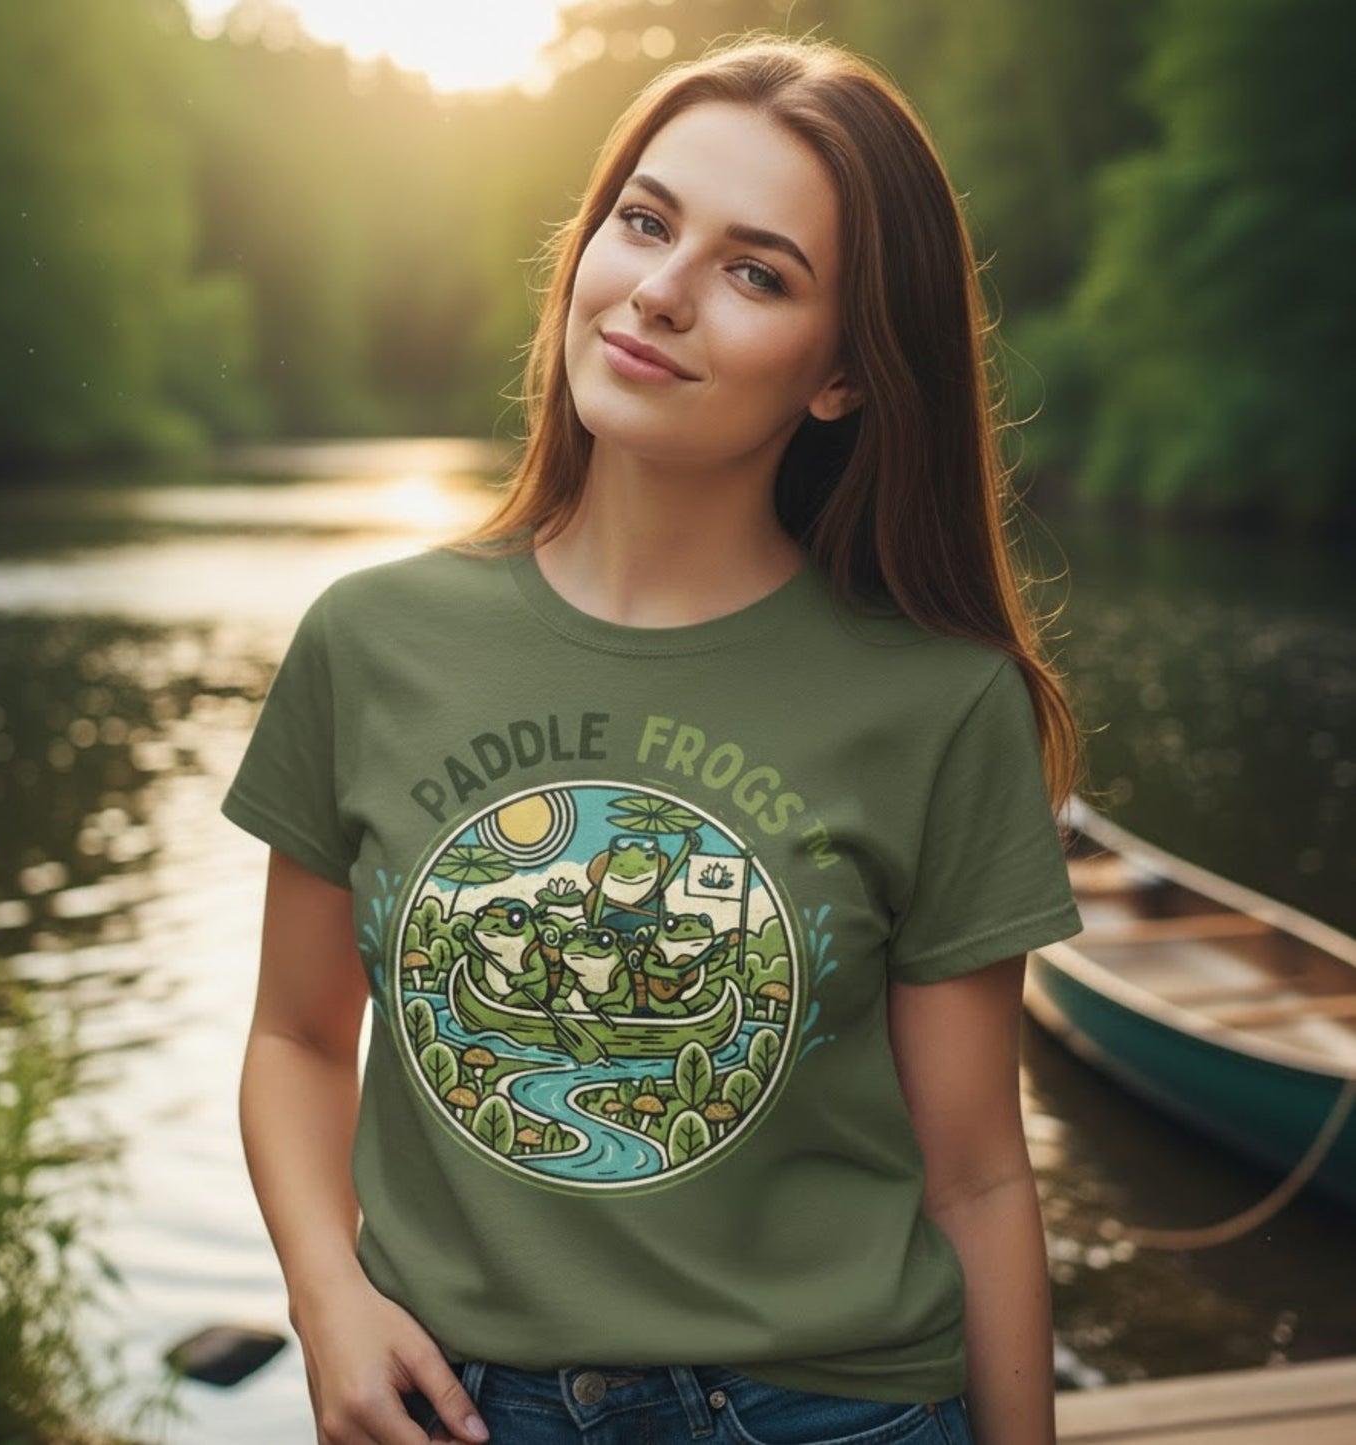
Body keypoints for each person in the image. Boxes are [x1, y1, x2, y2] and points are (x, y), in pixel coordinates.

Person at [223, 32, 1084, 1445]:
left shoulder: (937, 700)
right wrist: (326, 1296)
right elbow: (298, 1037)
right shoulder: (371, 640)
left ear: (842, 377)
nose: (660, 292)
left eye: (757, 272)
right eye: (644, 220)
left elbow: (978, 1179)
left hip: (827, 1410)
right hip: (454, 1405)